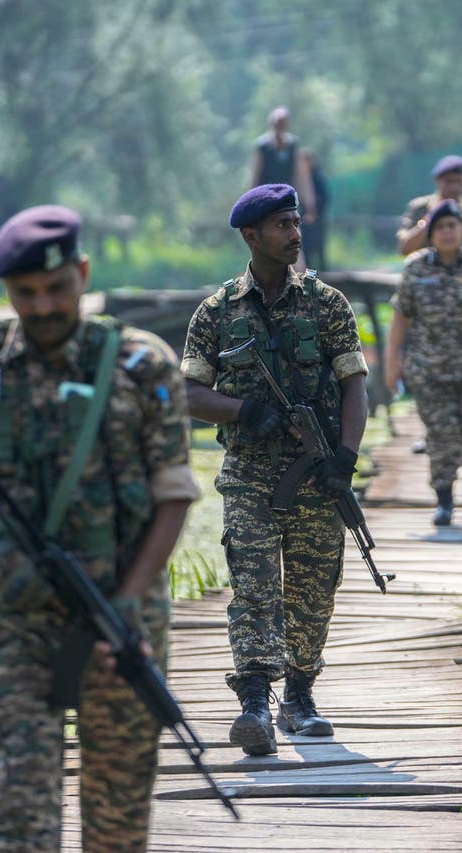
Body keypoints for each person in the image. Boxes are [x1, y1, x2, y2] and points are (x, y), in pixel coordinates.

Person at [0, 205, 200, 852]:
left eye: (56, 288)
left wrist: (129, 599)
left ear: (83, 272)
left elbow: (174, 495)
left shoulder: (141, 366)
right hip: (20, 622)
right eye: (25, 294)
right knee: (21, 820)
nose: (42, 306)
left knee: (117, 824)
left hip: (120, 621)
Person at [181, 183, 368, 757]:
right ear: (251, 235)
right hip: (250, 476)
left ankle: (301, 695)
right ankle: (255, 701)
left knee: (314, 592)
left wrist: (345, 458)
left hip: (318, 476)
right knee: (255, 587)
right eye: (283, 225)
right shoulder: (216, 312)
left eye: (296, 223)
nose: (294, 234)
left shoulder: (327, 304)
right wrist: (246, 412)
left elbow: (355, 387)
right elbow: (189, 393)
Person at [384, 199, 462, 526]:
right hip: (429, 369)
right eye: (440, 227)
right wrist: (391, 362)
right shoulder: (415, 268)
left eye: (452, 225)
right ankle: (444, 498)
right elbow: (401, 318)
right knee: (440, 436)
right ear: (430, 233)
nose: (447, 232)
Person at [396, 155, 462, 257]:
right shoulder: (420, 207)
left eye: (459, 181)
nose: (454, 186)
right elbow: (405, 249)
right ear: (437, 181)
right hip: (427, 269)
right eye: (448, 181)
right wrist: (428, 221)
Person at [249, 106, 317, 227]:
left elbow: (301, 177)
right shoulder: (262, 146)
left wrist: (309, 204)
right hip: (266, 200)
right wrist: (251, 201)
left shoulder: (293, 145)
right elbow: (255, 176)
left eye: (284, 123)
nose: (280, 126)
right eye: (278, 123)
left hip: (287, 200)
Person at [301, 148, 330, 271]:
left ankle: (323, 270)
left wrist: (315, 207)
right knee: (306, 245)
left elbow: (326, 196)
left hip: (318, 218)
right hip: (304, 218)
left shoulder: (318, 177)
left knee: (319, 245)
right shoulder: (301, 178)